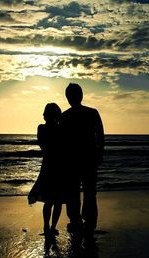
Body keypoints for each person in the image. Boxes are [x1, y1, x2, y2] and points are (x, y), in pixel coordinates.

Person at [61, 83, 104, 234]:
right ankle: (88, 221)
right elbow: (100, 135)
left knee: (74, 191)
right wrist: (100, 154)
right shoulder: (92, 113)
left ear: (68, 98)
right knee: (88, 191)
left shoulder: (65, 116)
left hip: (73, 160)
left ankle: (76, 220)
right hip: (86, 159)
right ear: (81, 96)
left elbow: (61, 141)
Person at [28, 103, 66, 237]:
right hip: (59, 166)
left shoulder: (42, 129)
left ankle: (47, 227)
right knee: (57, 200)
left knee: (50, 199)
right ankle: (51, 227)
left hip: (49, 165)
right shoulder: (60, 129)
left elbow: (43, 145)